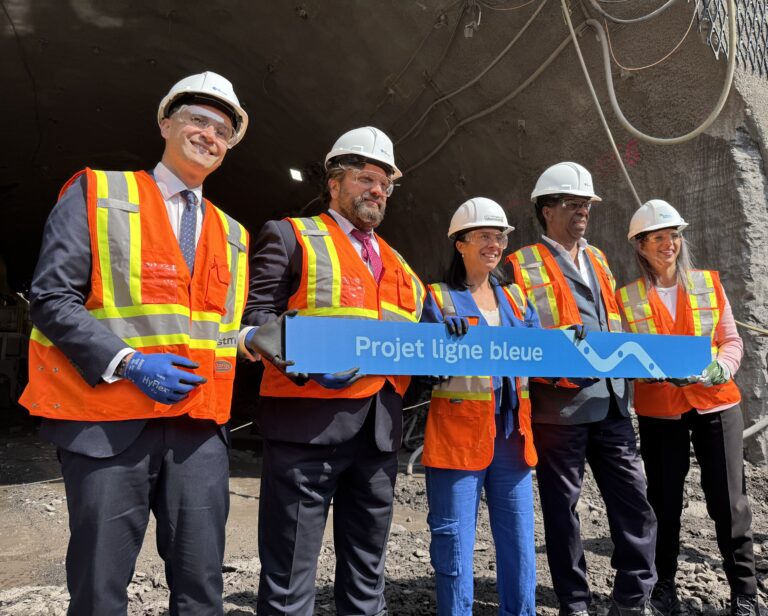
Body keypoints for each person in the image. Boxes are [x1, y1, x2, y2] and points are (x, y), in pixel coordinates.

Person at [19, 71, 251, 615]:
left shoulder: (233, 232)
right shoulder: (99, 193)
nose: (210, 135)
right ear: (166, 123)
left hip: (197, 429)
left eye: (223, 130)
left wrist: (251, 339)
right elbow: (52, 297)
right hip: (107, 423)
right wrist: (127, 362)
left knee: (201, 588)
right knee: (100, 587)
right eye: (198, 119)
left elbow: (212, 326)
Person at [243, 126, 426, 616]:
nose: (377, 191)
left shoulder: (399, 265)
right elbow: (256, 319)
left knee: (368, 576)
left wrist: (448, 332)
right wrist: (307, 360)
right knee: (289, 577)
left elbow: (415, 339)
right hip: (307, 430)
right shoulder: (291, 235)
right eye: (367, 178)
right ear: (335, 183)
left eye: (385, 185)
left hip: (379, 435)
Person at [505, 162, 659, 616]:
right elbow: (513, 330)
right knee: (562, 509)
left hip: (613, 402)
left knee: (634, 501)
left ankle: (633, 599)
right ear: (546, 210)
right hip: (560, 407)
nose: (582, 213)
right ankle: (575, 601)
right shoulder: (520, 264)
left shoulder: (598, 259)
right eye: (572, 204)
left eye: (586, 205)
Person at [616, 200, 759, 616]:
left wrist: (722, 367)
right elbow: (623, 355)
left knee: (729, 502)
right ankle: (663, 590)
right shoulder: (627, 300)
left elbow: (731, 340)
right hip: (661, 410)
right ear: (640, 246)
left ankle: (745, 594)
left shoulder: (707, 285)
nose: (669, 244)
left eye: (673, 235)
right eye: (658, 237)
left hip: (716, 403)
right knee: (663, 502)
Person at [421, 198, 540, 615]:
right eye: (485, 236)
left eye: (499, 236)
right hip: (458, 438)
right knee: (454, 541)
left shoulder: (517, 301)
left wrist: (570, 342)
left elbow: (543, 355)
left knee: (520, 541)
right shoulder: (437, 298)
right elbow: (420, 365)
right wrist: (436, 338)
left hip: (511, 436)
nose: (495, 244)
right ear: (461, 243)